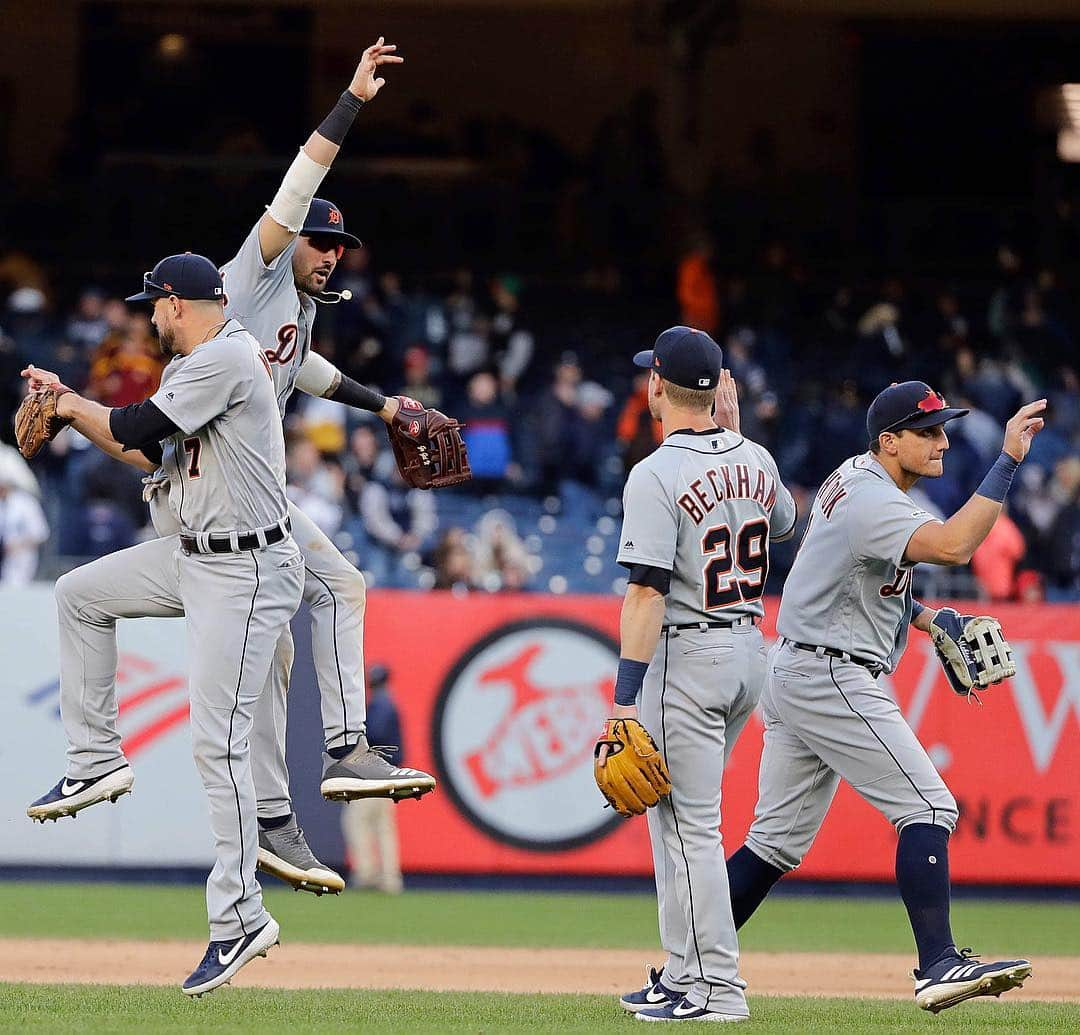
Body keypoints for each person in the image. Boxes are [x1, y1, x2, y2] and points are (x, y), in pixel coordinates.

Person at [24, 253, 305, 995]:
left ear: (177, 303)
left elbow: (135, 420)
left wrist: (67, 403)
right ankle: (95, 757)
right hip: (193, 554)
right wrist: (70, 407)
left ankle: (241, 916)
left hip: (245, 569)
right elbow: (142, 444)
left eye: (154, 306)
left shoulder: (228, 358)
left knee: (218, 742)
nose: (149, 318)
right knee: (80, 594)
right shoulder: (194, 369)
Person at [725, 381, 1045, 1014]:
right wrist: (1006, 460)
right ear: (888, 440)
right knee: (929, 804)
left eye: (942, 428)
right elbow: (954, 546)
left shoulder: (854, 477)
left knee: (774, 844)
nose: (943, 441)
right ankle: (938, 964)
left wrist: (927, 620)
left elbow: (858, 578)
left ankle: (690, 964)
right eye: (926, 431)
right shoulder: (873, 498)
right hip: (830, 672)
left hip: (800, 665)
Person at [605, 328, 796, 1023]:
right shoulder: (758, 457)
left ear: (657, 384)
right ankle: (682, 972)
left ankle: (717, 988)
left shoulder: (654, 472)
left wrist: (623, 700)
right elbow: (782, 522)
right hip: (749, 650)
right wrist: (740, 438)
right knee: (680, 823)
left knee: (690, 829)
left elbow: (647, 592)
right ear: (717, 391)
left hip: (688, 651)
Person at [341, 664, 405, 893]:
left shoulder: (380, 706)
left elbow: (373, 736)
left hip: (373, 774)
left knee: (357, 821)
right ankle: (390, 878)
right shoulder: (390, 704)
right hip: (388, 774)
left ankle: (367, 873)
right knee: (383, 827)